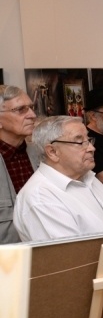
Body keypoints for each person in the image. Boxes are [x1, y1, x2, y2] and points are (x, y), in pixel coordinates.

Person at [13, 116, 103, 241]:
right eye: (79, 142)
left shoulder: (87, 177)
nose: (91, 148)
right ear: (52, 152)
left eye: (88, 140)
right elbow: (72, 256)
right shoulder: (40, 198)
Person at [0, 85, 38, 244]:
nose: (32, 115)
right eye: (21, 109)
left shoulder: (41, 154)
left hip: (45, 254)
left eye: (31, 107)